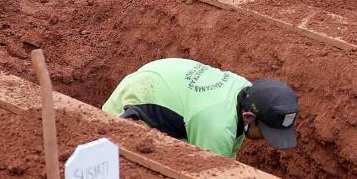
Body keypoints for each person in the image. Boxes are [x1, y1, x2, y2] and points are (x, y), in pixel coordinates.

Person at [102, 58, 299, 158]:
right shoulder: (217, 126)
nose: (265, 139)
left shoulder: (247, 92)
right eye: (265, 132)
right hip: (139, 96)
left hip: (163, 78)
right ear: (248, 117)